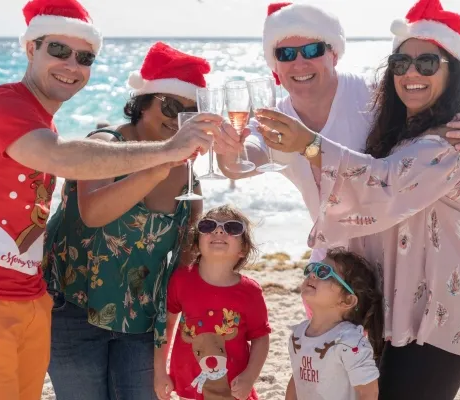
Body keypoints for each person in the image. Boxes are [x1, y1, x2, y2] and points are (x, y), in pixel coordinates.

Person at [0, 1, 225, 399]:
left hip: (30, 299)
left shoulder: (41, 121)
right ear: (30, 48)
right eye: (58, 50)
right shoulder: (0, 105)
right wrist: (166, 152)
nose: (72, 64)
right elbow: (63, 157)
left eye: (85, 57)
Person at [255, 0, 460, 398]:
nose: (412, 73)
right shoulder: (392, 127)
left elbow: (384, 188)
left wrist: (312, 146)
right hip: (387, 303)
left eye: (428, 63)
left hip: (440, 311)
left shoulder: (455, 137)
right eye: (401, 64)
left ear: (453, 72)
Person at [214, 1, 460, 266]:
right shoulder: (276, 121)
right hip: (333, 267)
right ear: (274, 66)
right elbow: (240, 162)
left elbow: (433, 96)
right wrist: (228, 150)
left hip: (392, 261)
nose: (299, 63)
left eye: (312, 50)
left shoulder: (370, 94)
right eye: (285, 54)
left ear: (333, 53)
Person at [43, 41, 212, 400]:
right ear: (142, 103)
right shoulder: (104, 144)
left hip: (141, 321)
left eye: (190, 113)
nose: (177, 119)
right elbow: (93, 213)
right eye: (169, 105)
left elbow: (185, 261)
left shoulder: (188, 175)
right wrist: (160, 163)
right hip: (72, 310)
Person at [154, 205, 271, 400]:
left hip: (233, 390)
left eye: (232, 228)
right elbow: (166, 327)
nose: (218, 230)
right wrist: (160, 372)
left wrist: (249, 378)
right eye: (208, 226)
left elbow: (261, 338)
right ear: (197, 243)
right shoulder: (181, 280)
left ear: (243, 249)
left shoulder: (250, 292)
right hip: (190, 386)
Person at [285, 248, 383, 400]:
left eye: (323, 272)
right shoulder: (298, 335)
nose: (312, 274)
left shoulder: (350, 342)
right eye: (313, 268)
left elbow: (369, 392)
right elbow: (297, 381)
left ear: (347, 300)